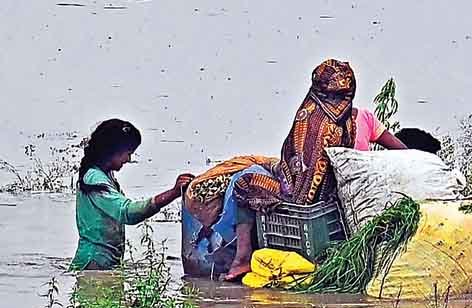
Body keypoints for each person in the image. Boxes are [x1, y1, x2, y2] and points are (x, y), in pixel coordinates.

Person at [223, 59, 407, 280]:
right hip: (337, 196)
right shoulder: (354, 120)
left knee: (245, 182)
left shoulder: (308, 116)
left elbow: (297, 163)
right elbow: (401, 152)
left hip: (300, 198)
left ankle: (242, 258)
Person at [70, 119, 194, 271]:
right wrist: (172, 193)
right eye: (128, 153)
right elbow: (127, 213)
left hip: (104, 262)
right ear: (112, 151)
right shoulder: (94, 179)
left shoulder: (105, 175)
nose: (128, 159)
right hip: (93, 263)